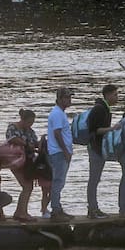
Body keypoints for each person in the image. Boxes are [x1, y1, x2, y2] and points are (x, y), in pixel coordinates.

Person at [86, 84, 121, 218]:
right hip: (95, 148)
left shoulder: (105, 108)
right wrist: (112, 129)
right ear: (107, 95)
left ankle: (94, 208)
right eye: (115, 94)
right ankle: (92, 209)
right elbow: (94, 130)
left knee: (96, 179)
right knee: (94, 179)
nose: (116, 97)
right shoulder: (99, 109)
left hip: (99, 148)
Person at [5, 109, 42, 221]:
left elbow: (35, 142)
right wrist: (26, 144)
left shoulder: (29, 130)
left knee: (28, 186)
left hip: (28, 161)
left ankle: (20, 211)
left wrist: (40, 144)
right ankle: (22, 213)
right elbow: (12, 139)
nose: (30, 124)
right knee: (27, 186)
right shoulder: (13, 127)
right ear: (23, 119)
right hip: (16, 160)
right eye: (29, 122)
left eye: (32, 122)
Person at [47, 87, 75, 220]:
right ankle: (56, 210)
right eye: (66, 97)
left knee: (60, 181)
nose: (69, 100)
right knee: (58, 181)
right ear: (59, 99)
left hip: (60, 152)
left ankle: (57, 207)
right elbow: (57, 133)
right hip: (58, 152)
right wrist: (65, 151)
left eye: (70, 97)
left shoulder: (60, 113)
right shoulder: (57, 113)